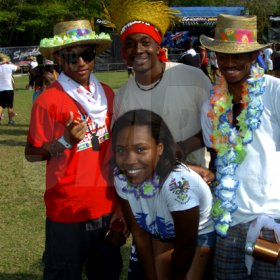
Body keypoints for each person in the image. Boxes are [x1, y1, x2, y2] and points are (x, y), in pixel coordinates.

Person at [25, 19, 124, 280]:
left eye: (87, 55)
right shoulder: (48, 101)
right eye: (71, 56)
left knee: (106, 274)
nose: (80, 63)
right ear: (58, 58)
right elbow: (31, 153)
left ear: (94, 57)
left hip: (105, 206)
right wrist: (65, 142)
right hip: (67, 210)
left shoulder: (108, 94)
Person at [200, 14, 280, 279]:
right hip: (229, 220)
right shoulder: (211, 104)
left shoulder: (273, 91)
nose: (229, 63)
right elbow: (217, 157)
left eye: (238, 56)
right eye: (223, 56)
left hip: (272, 220)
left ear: (253, 56)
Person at [103, 0, 214, 179]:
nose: (138, 49)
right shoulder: (123, 96)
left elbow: (217, 125)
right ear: (124, 51)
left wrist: (184, 147)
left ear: (157, 46)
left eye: (145, 42)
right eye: (130, 44)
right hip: (146, 191)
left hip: (192, 184)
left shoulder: (193, 78)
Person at [111, 109, 215, 280]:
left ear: (159, 148)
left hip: (196, 237)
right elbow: (139, 235)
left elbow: (185, 246)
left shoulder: (177, 185)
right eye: (121, 150)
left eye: (140, 149)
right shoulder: (121, 177)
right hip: (161, 232)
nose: (129, 160)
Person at [0, 52, 20, 125]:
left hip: (0, 89)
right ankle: (10, 121)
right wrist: (10, 63)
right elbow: (18, 68)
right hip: (9, 88)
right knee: (10, 105)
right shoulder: (10, 66)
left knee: (1, 105)